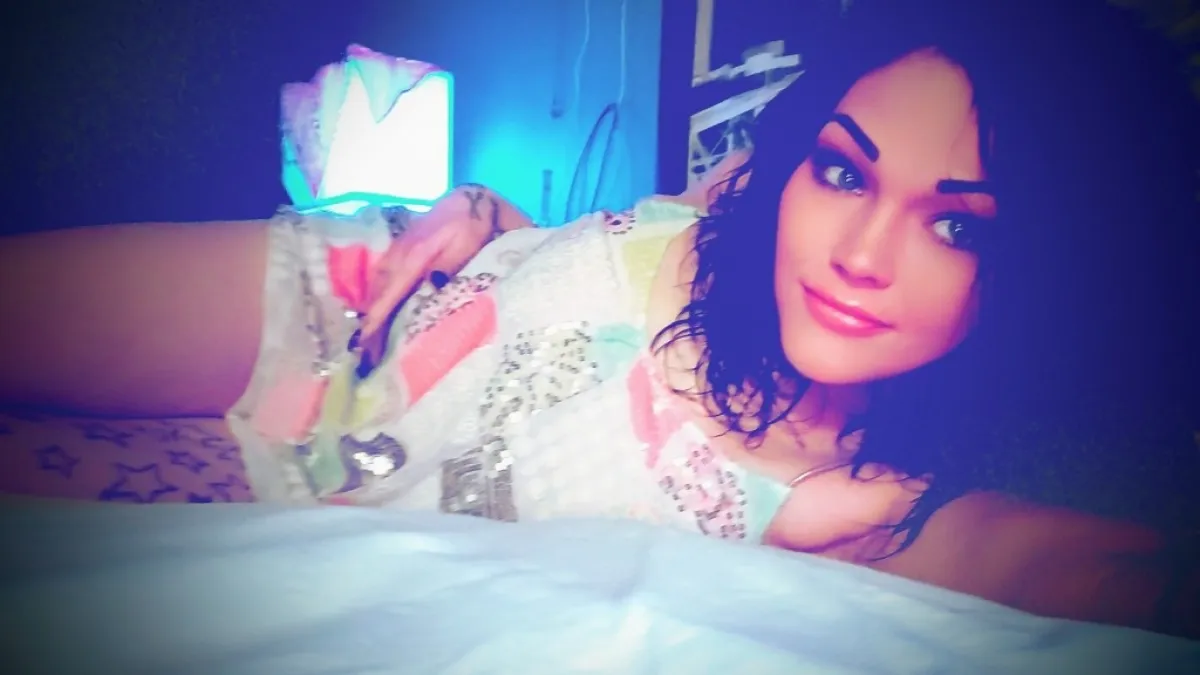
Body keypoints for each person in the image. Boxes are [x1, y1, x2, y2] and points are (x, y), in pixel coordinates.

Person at [1, 0, 1198, 638]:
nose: (861, 254)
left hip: (310, 487)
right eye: (843, 171)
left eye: (958, 226)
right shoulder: (747, 200)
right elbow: (589, 256)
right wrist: (482, 208)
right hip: (359, 297)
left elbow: (1103, 574)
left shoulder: (892, 512)